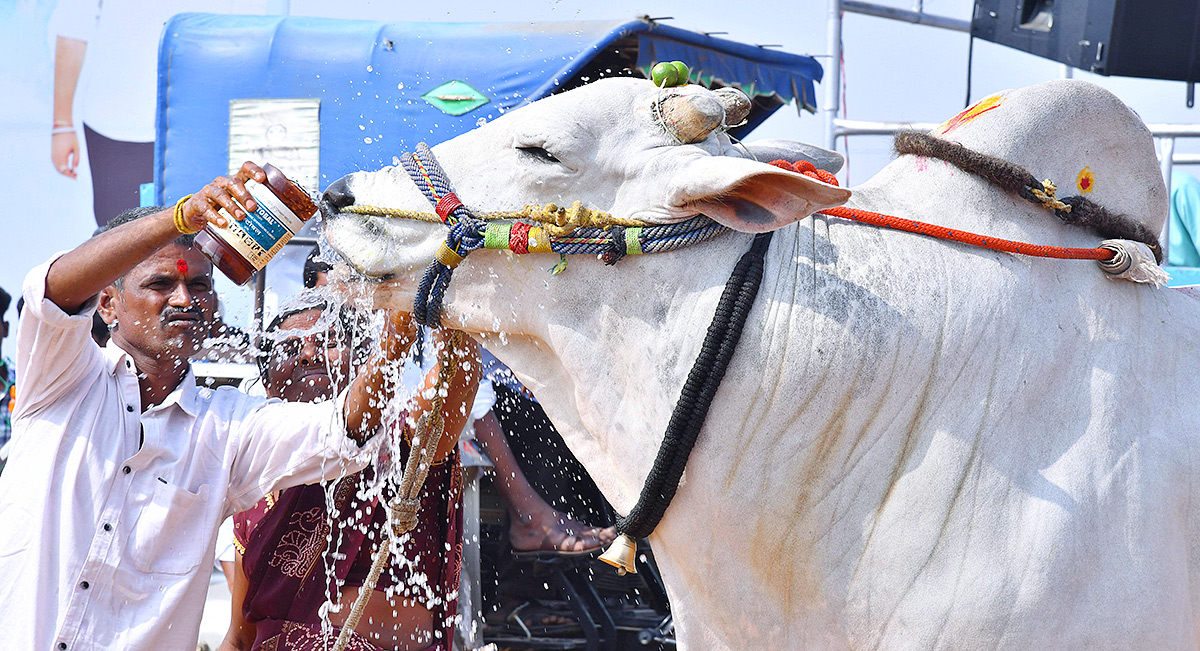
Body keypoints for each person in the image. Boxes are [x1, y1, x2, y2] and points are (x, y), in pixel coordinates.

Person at [0, 162, 419, 650]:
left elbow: (345, 429)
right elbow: (53, 290)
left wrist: (401, 313)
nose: (184, 299)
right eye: (160, 284)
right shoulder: (61, 380)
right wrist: (181, 218)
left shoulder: (228, 427)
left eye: (200, 286)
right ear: (108, 305)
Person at [220, 302, 480, 651]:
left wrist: (430, 287)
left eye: (328, 341)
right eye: (290, 347)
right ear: (267, 385)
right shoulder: (251, 493)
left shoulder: (396, 446)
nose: (309, 355)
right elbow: (238, 639)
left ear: (366, 366)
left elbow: (458, 371)